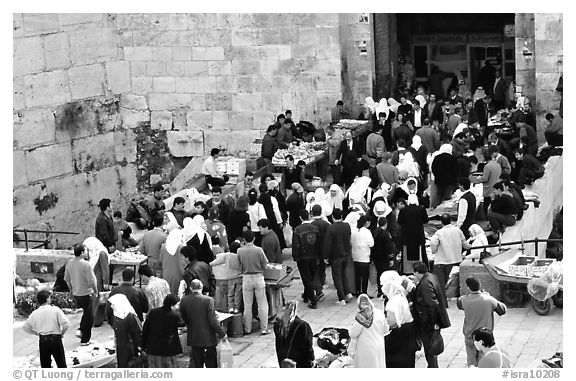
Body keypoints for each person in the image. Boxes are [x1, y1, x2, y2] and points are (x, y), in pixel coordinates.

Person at [457, 277, 507, 367]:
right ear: (480, 286)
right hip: (484, 339)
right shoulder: (489, 300)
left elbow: (459, 303)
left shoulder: (464, 300)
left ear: (468, 288)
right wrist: (489, 296)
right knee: (483, 363)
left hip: (470, 337)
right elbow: (502, 310)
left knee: (471, 362)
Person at [410, 261, 450, 368]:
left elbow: (432, 304)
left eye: (414, 273)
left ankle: (433, 368)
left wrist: (434, 323)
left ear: (418, 272)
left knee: (430, 348)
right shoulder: (432, 277)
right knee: (431, 347)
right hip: (432, 321)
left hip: (428, 322)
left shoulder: (425, 284)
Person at [179, 279, 226, 368]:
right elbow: (212, 320)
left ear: (190, 288)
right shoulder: (208, 300)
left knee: (197, 363)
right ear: (201, 287)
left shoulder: (184, 300)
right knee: (211, 364)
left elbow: (183, 318)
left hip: (194, 336)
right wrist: (222, 333)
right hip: (208, 337)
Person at [429, 213, 470, 304]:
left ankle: (443, 303)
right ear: (450, 221)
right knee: (453, 283)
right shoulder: (457, 230)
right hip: (456, 260)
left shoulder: (439, 233)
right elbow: (465, 244)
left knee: (440, 285)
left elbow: (433, 244)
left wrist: (434, 251)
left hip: (441, 262)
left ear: (441, 222)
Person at [380, 271, 418, 368]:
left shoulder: (393, 301)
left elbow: (392, 321)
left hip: (400, 334)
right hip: (409, 330)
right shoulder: (401, 295)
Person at [23, 290, 70, 368]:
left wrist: (36, 333)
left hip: (43, 340)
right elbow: (66, 324)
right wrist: (62, 333)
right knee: (61, 365)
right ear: (48, 299)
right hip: (56, 339)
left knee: (45, 366)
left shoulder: (35, 313)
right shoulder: (55, 310)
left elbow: (25, 327)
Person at [237, 230, 270, 335]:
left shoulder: (239, 251)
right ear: (254, 238)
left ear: (244, 240)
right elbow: (265, 264)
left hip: (246, 278)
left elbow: (239, 266)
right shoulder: (259, 250)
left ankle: (247, 329)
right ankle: (264, 328)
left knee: (247, 305)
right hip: (258, 277)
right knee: (262, 304)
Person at [64, 243, 97, 345]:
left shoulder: (70, 263)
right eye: (86, 251)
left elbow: (67, 279)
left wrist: (71, 290)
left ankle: (80, 330)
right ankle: (85, 339)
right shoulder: (86, 264)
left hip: (76, 293)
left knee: (86, 314)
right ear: (82, 252)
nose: (87, 253)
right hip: (86, 293)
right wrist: (95, 290)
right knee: (89, 317)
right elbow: (91, 281)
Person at [142, 294, 183, 368]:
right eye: (177, 304)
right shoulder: (175, 315)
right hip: (168, 349)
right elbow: (182, 324)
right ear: (172, 304)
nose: (178, 306)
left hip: (153, 348)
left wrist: (142, 345)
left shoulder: (153, 312)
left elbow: (145, 329)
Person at [292, 210, 322, 309]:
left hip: (303, 258)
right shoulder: (315, 228)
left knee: (306, 278)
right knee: (311, 276)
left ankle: (313, 301)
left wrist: (295, 257)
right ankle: (306, 295)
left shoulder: (298, 230)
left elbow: (296, 245)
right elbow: (319, 243)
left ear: (300, 217)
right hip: (314, 257)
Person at [349, 294, 389, 368]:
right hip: (379, 345)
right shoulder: (380, 313)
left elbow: (352, 334)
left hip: (366, 349)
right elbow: (386, 330)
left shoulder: (361, 317)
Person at [323, 208, 354, 305]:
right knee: (343, 274)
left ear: (332, 217)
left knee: (337, 277)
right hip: (346, 254)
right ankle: (348, 292)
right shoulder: (347, 226)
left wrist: (326, 256)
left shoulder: (331, 228)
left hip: (336, 256)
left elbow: (328, 244)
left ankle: (341, 298)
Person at [273, 301, 315, 368]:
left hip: (284, 358)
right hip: (299, 360)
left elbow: (278, 343)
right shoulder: (303, 325)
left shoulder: (278, 324)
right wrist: (311, 358)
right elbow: (308, 345)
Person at [108, 293, 143, 368]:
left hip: (130, 347)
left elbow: (138, 332)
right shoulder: (116, 316)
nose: (111, 306)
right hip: (120, 346)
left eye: (113, 304)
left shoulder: (130, 316)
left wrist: (140, 346)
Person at [82, 237, 110, 327]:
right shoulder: (93, 254)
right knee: (95, 301)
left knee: (97, 301)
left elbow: (105, 269)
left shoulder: (101, 254)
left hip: (99, 282)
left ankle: (96, 320)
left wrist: (106, 282)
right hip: (93, 281)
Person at [397, 194, 429, 274]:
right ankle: (421, 270)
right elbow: (426, 220)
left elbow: (399, 222)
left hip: (406, 237)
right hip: (418, 237)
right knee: (420, 254)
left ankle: (407, 271)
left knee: (406, 255)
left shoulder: (403, 210)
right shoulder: (421, 209)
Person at [210, 241, 243, 313]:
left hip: (230, 278)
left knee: (230, 293)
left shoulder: (227, 255)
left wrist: (211, 264)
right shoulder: (240, 256)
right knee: (238, 294)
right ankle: (237, 308)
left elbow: (218, 261)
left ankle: (231, 307)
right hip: (239, 278)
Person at [471, 147, 502, 215]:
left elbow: (485, 178)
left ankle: (488, 220)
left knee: (486, 206)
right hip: (497, 187)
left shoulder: (487, 166)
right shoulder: (497, 164)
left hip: (489, 189)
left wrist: (478, 179)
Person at [371, 217, 397, 297]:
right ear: (386, 224)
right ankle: (385, 291)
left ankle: (380, 291)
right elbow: (388, 247)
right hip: (384, 258)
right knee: (385, 275)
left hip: (376, 257)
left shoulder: (374, 232)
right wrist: (391, 258)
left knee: (379, 274)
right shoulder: (386, 234)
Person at [351, 215, 374, 296]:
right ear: (366, 222)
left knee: (357, 276)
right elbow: (371, 244)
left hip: (355, 256)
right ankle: (364, 292)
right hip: (364, 257)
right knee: (364, 277)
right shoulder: (367, 232)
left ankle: (357, 291)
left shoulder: (354, 231)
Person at [430, 144, 459, 208]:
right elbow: (456, 170)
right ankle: (445, 209)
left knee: (439, 195)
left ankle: (437, 208)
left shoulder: (437, 157)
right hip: (449, 181)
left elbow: (433, 168)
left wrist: (437, 176)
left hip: (439, 180)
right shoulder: (453, 158)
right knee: (447, 196)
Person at [310, 204, 330, 294]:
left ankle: (318, 288)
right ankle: (321, 282)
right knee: (322, 268)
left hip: (314, 251)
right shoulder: (326, 224)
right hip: (324, 250)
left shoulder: (311, 225)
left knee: (315, 270)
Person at [161, 228, 188, 295]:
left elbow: (160, 259)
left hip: (166, 273)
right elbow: (183, 263)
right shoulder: (181, 247)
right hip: (178, 274)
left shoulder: (164, 246)